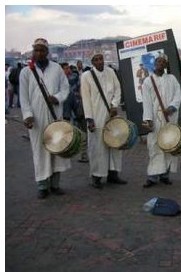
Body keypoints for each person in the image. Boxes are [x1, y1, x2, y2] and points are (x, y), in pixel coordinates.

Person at [19, 38, 70, 199]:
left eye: (42, 50)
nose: (39, 53)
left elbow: (65, 88)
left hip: (55, 115)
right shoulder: (26, 71)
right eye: (36, 50)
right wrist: (27, 116)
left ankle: (55, 185)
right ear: (33, 51)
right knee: (40, 151)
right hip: (37, 119)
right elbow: (23, 97)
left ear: (47, 52)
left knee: (56, 149)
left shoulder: (56, 69)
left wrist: (57, 98)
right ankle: (42, 185)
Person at [81, 49, 127, 189]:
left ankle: (113, 174)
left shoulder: (111, 72)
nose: (100, 61)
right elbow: (86, 99)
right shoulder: (86, 76)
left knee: (114, 143)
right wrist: (89, 119)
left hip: (111, 115)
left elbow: (118, 90)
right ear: (92, 62)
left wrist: (114, 105)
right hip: (96, 116)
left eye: (101, 58)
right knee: (97, 146)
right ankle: (96, 176)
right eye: (96, 59)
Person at [141, 54, 181, 188]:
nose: (160, 63)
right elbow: (146, 102)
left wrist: (172, 107)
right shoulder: (148, 81)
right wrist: (148, 119)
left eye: (163, 62)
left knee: (169, 144)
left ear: (166, 65)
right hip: (155, 118)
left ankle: (165, 175)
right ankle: (152, 177)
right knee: (154, 145)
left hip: (169, 117)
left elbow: (177, 94)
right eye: (158, 61)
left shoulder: (172, 79)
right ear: (154, 63)